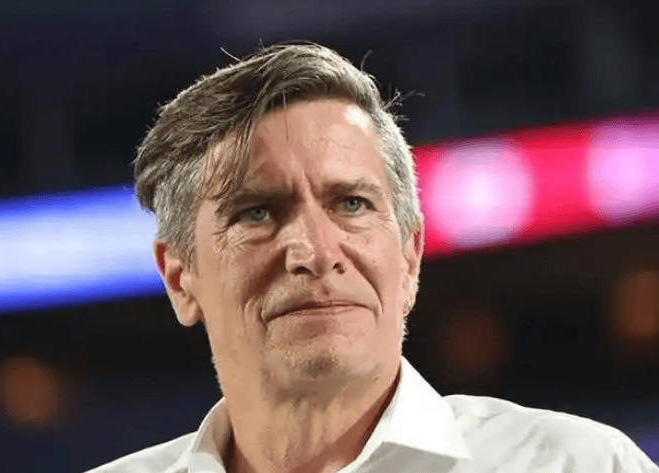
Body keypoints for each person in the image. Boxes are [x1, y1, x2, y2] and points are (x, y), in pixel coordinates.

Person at [87, 43, 658, 473]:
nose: (316, 252)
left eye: (352, 204)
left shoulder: (581, 465)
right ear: (180, 278)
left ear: (410, 257)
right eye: (257, 212)